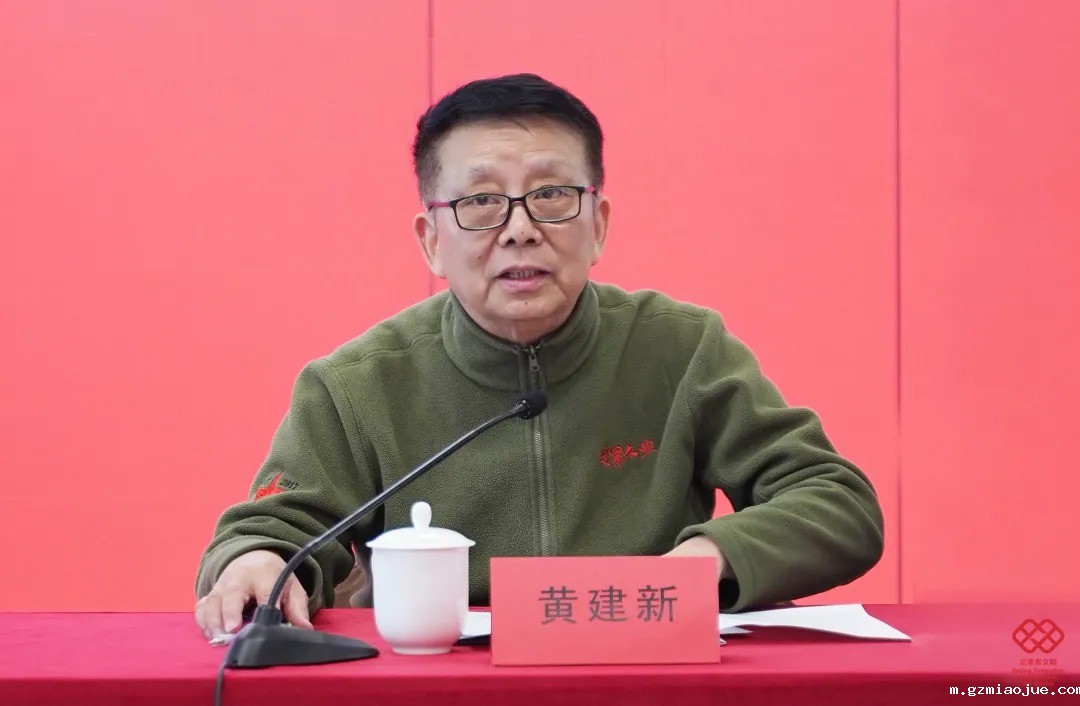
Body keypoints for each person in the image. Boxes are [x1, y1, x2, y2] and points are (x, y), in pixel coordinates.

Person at [194, 73, 884, 640]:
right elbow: (270, 528)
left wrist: (706, 561)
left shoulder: (680, 349)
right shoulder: (356, 385)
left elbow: (838, 503)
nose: (520, 229)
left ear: (599, 224)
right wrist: (256, 560)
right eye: (481, 201)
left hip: (647, 674)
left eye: (551, 195)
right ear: (431, 240)